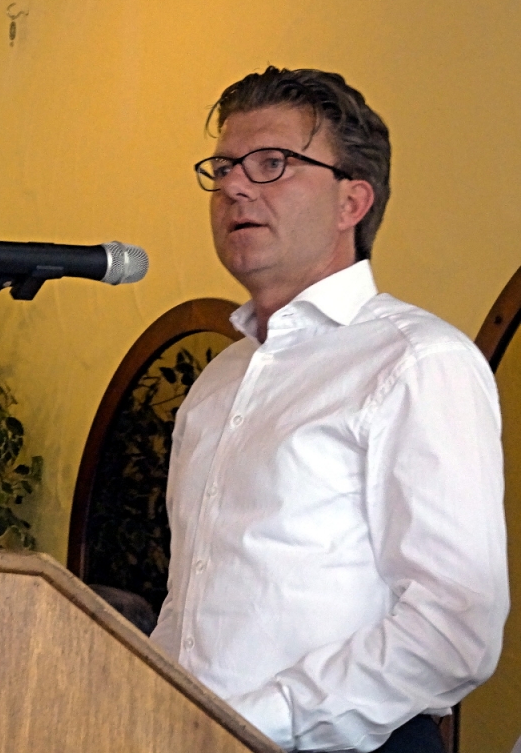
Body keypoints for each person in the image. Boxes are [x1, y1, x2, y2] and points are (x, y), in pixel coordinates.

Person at [150, 66, 509, 752]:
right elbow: (190, 611)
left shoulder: (416, 361)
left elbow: (452, 628)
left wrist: (254, 723)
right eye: (223, 168)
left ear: (352, 201)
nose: (234, 187)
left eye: (271, 164)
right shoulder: (218, 383)